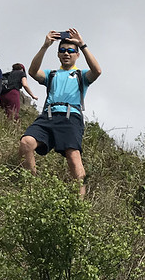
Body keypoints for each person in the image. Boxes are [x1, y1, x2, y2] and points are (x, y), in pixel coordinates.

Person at [19, 28, 101, 197]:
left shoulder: (81, 75)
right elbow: (33, 72)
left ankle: (78, 204)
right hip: (48, 116)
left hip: (71, 117)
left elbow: (97, 71)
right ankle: (32, 190)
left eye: (71, 51)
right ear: (58, 54)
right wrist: (45, 45)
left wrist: (82, 45)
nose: (66, 53)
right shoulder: (52, 74)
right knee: (26, 143)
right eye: (62, 50)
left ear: (77, 55)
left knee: (73, 156)